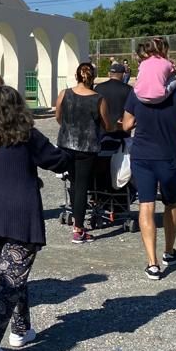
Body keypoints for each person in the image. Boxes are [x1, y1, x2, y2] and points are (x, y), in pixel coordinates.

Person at [0, 85, 70, 351]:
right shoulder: (27, 136)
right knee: (11, 278)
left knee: (12, 269)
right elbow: (55, 160)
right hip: (20, 212)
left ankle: (21, 328)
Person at [122, 82, 176, 280]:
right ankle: (169, 252)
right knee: (171, 202)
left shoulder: (137, 93)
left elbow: (127, 124)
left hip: (142, 155)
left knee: (146, 205)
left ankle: (152, 263)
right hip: (169, 155)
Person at [55, 63, 110, 244]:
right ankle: (78, 228)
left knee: (73, 182)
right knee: (82, 186)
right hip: (87, 146)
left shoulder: (65, 94)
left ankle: (75, 216)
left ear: (76, 75)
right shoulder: (99, 99)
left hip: (66, 144)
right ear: (93, 77)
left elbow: (58, 117)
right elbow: (106, 125)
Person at [134, 37, 176, 103]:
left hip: (139, 96)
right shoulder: (167, 63)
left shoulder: (143, 63)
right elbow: (171, 74)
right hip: (158, 98)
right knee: (174, 80)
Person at [95, 63, 133, 134]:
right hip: (122, 130)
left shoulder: (98, 88)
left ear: (109, 74)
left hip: (103, 131)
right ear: (123, 75)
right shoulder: (129, 89)